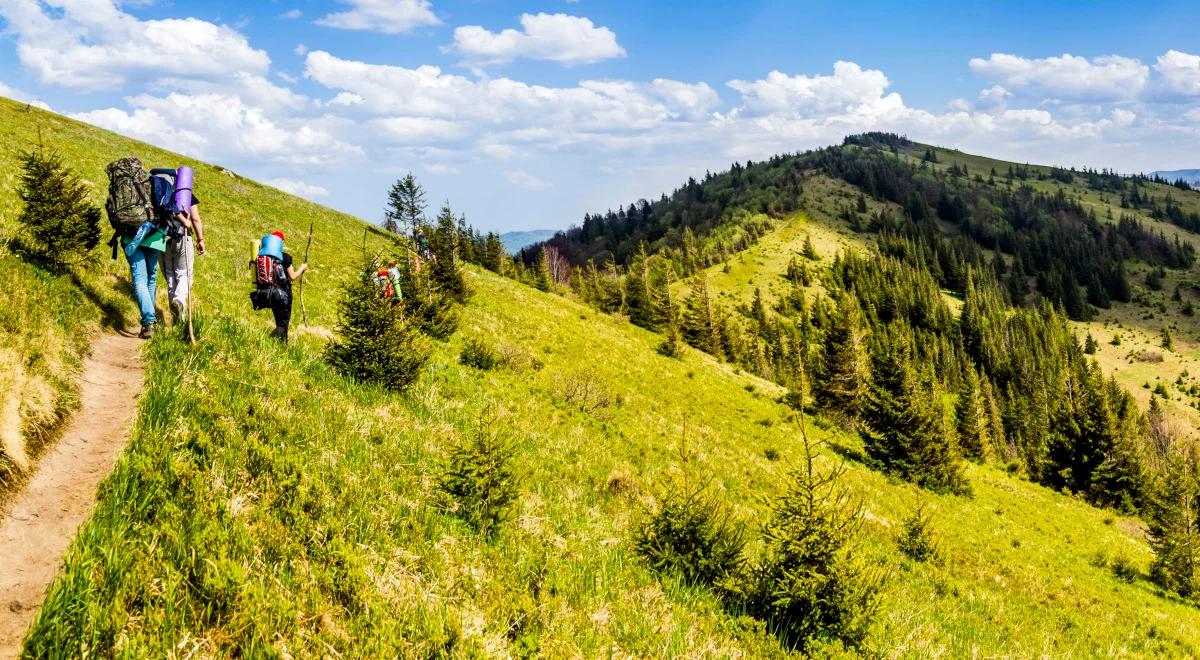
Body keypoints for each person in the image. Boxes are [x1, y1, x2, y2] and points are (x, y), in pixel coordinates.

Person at [252, 231, 307, 342]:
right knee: (283, 324)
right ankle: (266, 342)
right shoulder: (285, 257)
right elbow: (292, 276)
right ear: (280, 242)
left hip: (268, 293)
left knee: (279, 321)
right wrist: (302, 268)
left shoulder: (262, 257)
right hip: (283, 295)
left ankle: (280, 346)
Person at [161, 194, 206, 324]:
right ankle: (179, 300)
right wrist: (200, 240)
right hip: (182, 237)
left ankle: (178, 321)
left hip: (163, 238)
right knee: (184, 275)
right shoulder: (185, 192)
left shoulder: (162, 189)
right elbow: (195, 218)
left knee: (170, 278)